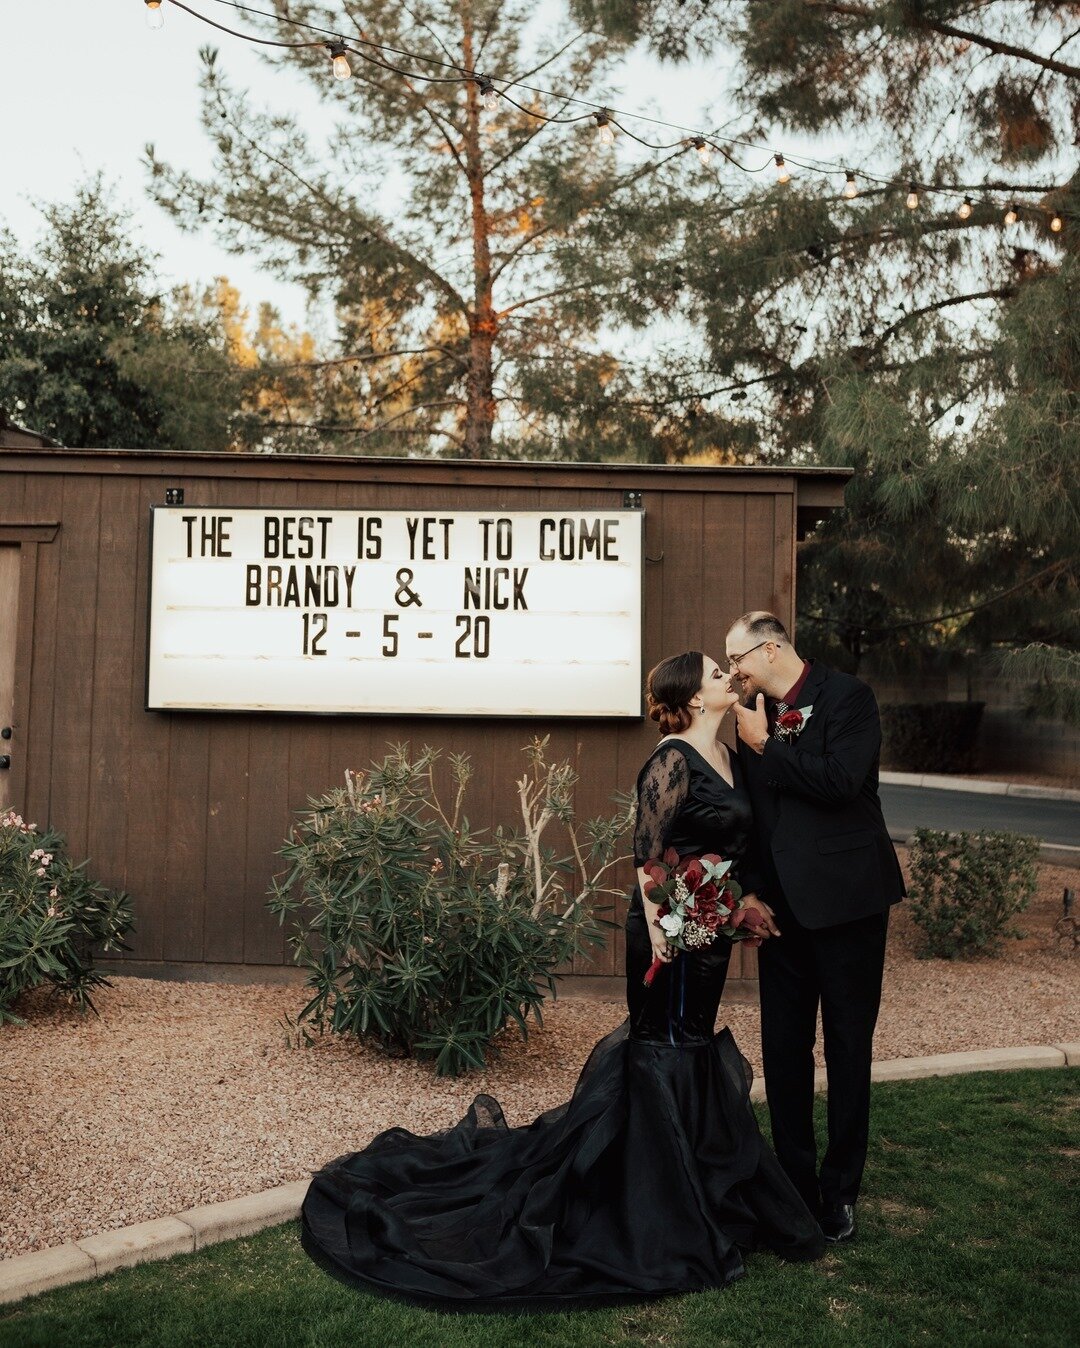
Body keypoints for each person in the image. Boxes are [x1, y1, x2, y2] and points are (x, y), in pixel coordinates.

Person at [299, 650, 824, 1310]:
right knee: (664, 1046)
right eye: (716, 673)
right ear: (691, 697)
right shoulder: (669, 758)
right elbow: (646, 850)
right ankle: (658, 1209)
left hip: (709, 926)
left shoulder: (725, 755)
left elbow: (724, 848)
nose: (728, 678)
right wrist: (665, 925)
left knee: (688, 1045)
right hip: (668, 930)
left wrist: (734, 905)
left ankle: (695, 1193)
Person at [726, 612, 905, 1245]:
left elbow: (837, 784)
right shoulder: (751, 719)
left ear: (770, 650)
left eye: (739, 660)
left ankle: (841, 1191)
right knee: (783, 1049)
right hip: (782, 915)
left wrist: (765, 748)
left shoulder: (849, 698)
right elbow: (748, 817)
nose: (733, 672)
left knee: (848, 1049)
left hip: (850, 905)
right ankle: (795, 1186)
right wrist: (748, 888)